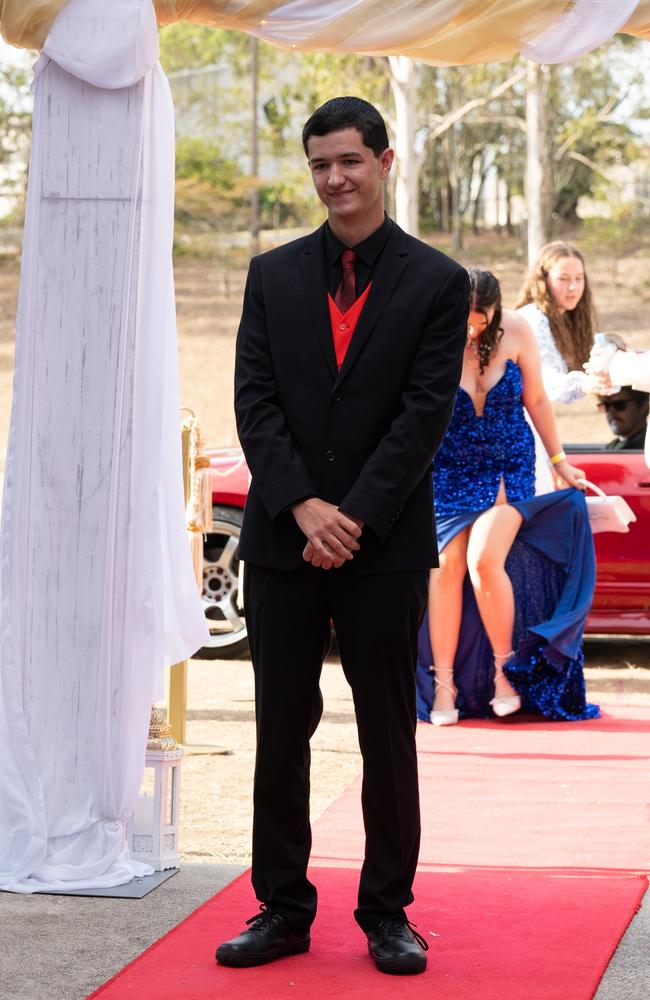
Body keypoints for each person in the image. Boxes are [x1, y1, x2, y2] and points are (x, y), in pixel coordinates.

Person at [216, 97, 469, 976]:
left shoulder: (439, 283)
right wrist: (303, 509)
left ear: (386, 160)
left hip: (384, 544)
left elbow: (421, 417)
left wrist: (352, 515)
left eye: (350, 162)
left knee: (386, 733)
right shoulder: (271, 274)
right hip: (286, 541)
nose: (335, 180)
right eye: (321, 164)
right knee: (280, 730)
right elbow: (256, 403)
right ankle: (280, 909)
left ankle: (388, 912)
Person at [416, 269, 600, 727]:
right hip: (450, 467)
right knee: (444, 567)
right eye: (466, 320)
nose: (473, 329)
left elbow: (536, 399)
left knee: (482, 559)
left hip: (507, 466)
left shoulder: (517, 330)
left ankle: (504, 673)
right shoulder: (430, 332)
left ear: (496, 309)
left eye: (481, 319)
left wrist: (559, 462)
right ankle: (444, 685)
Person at [516, 242, 600, 491]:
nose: (573, 287)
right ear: (543, 280)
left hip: (534, 435)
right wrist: (587, 382)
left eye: (578, 278)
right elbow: (547, 384)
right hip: (515, 439)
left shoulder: (565, 319)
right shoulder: (532, 319)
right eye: (563, 279)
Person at [585, 344, 650, 465]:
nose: (611, 413)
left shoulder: (634, 451)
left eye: (620, 405)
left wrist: (614, 366)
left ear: (644, 406)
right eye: (605, 406)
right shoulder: (613, 447)